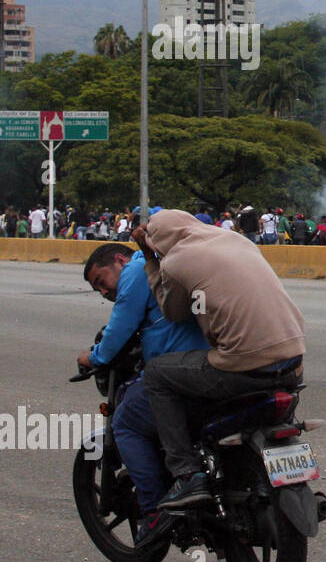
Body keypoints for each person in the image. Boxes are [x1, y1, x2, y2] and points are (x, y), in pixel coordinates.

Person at [134, 210, 307, 509]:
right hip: (293, 362)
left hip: (243, 368)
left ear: (159, 240)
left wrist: (150, 260)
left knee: (157, 375)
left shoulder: (175, 261)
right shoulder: (237, 240)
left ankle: (186, 475)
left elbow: (173, 311)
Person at [80, 242, 210, 545]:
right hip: (230, 361)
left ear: (119, 259)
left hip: (184, 370)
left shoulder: (135, 271)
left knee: (126, 422)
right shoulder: (167, 265)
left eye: (101, 281)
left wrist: (92, 357)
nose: (102, 292)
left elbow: (118, 331)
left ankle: (154, 512)